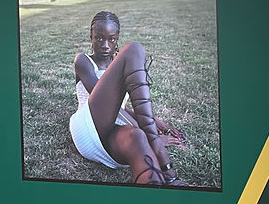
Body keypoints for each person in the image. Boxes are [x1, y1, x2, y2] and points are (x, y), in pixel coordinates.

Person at [70, 11, 185, 186]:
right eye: (99, 38)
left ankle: (163, 187)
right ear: (91, 37)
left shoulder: (121, 64)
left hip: (111, 140)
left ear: (117, 40)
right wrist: (151, 133)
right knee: (134, 50)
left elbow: (120, 108)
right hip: (87, 127)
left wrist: (154, 123)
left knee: (137, 137)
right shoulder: (83, 61)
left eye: (112, 39)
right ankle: (165, 161)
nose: (106, 45)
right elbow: (107, 105)